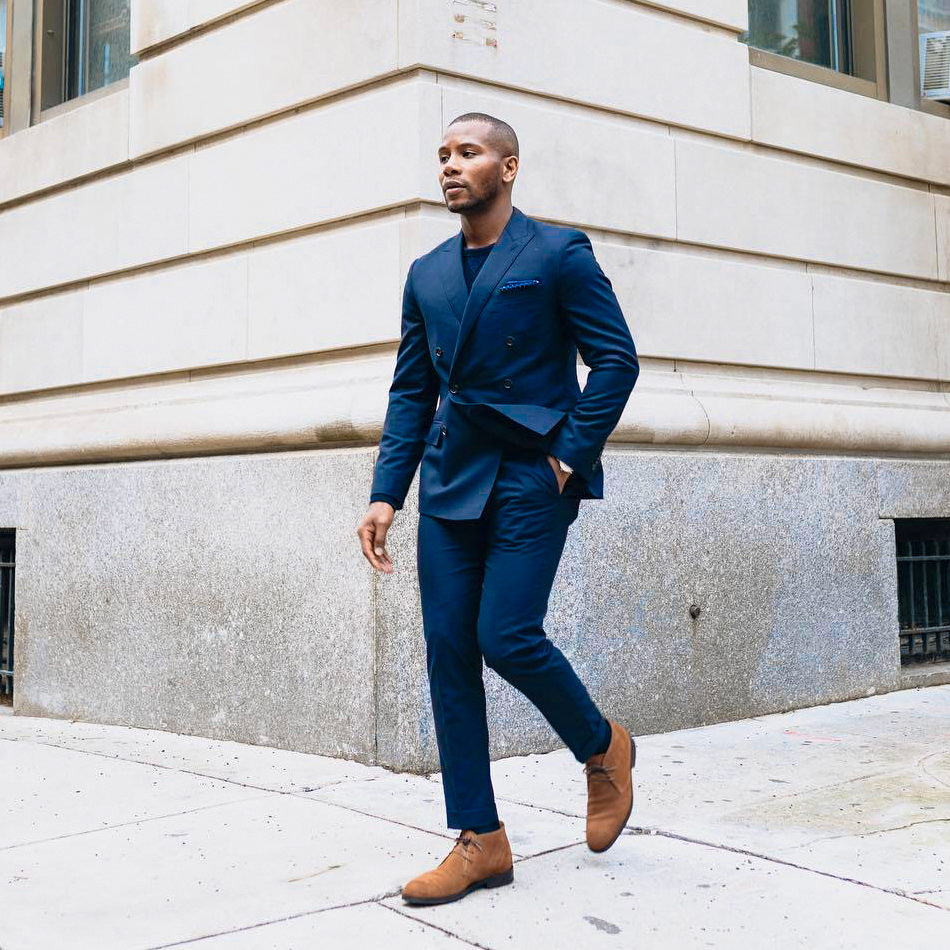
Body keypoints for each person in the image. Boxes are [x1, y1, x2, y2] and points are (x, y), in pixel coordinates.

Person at [356, 112, 639, 906]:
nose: (450, 165)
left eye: (468, 153)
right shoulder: (427, 273)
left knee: (504, 635)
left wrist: (563, 459)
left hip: (528, 472)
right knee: (449, 649)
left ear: (507, 167)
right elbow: (413, 389)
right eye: (442, 154)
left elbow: (616, 360)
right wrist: (386, 493)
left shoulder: (556, 252)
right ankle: (479, 839)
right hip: (450, 478)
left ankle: (603, 746)